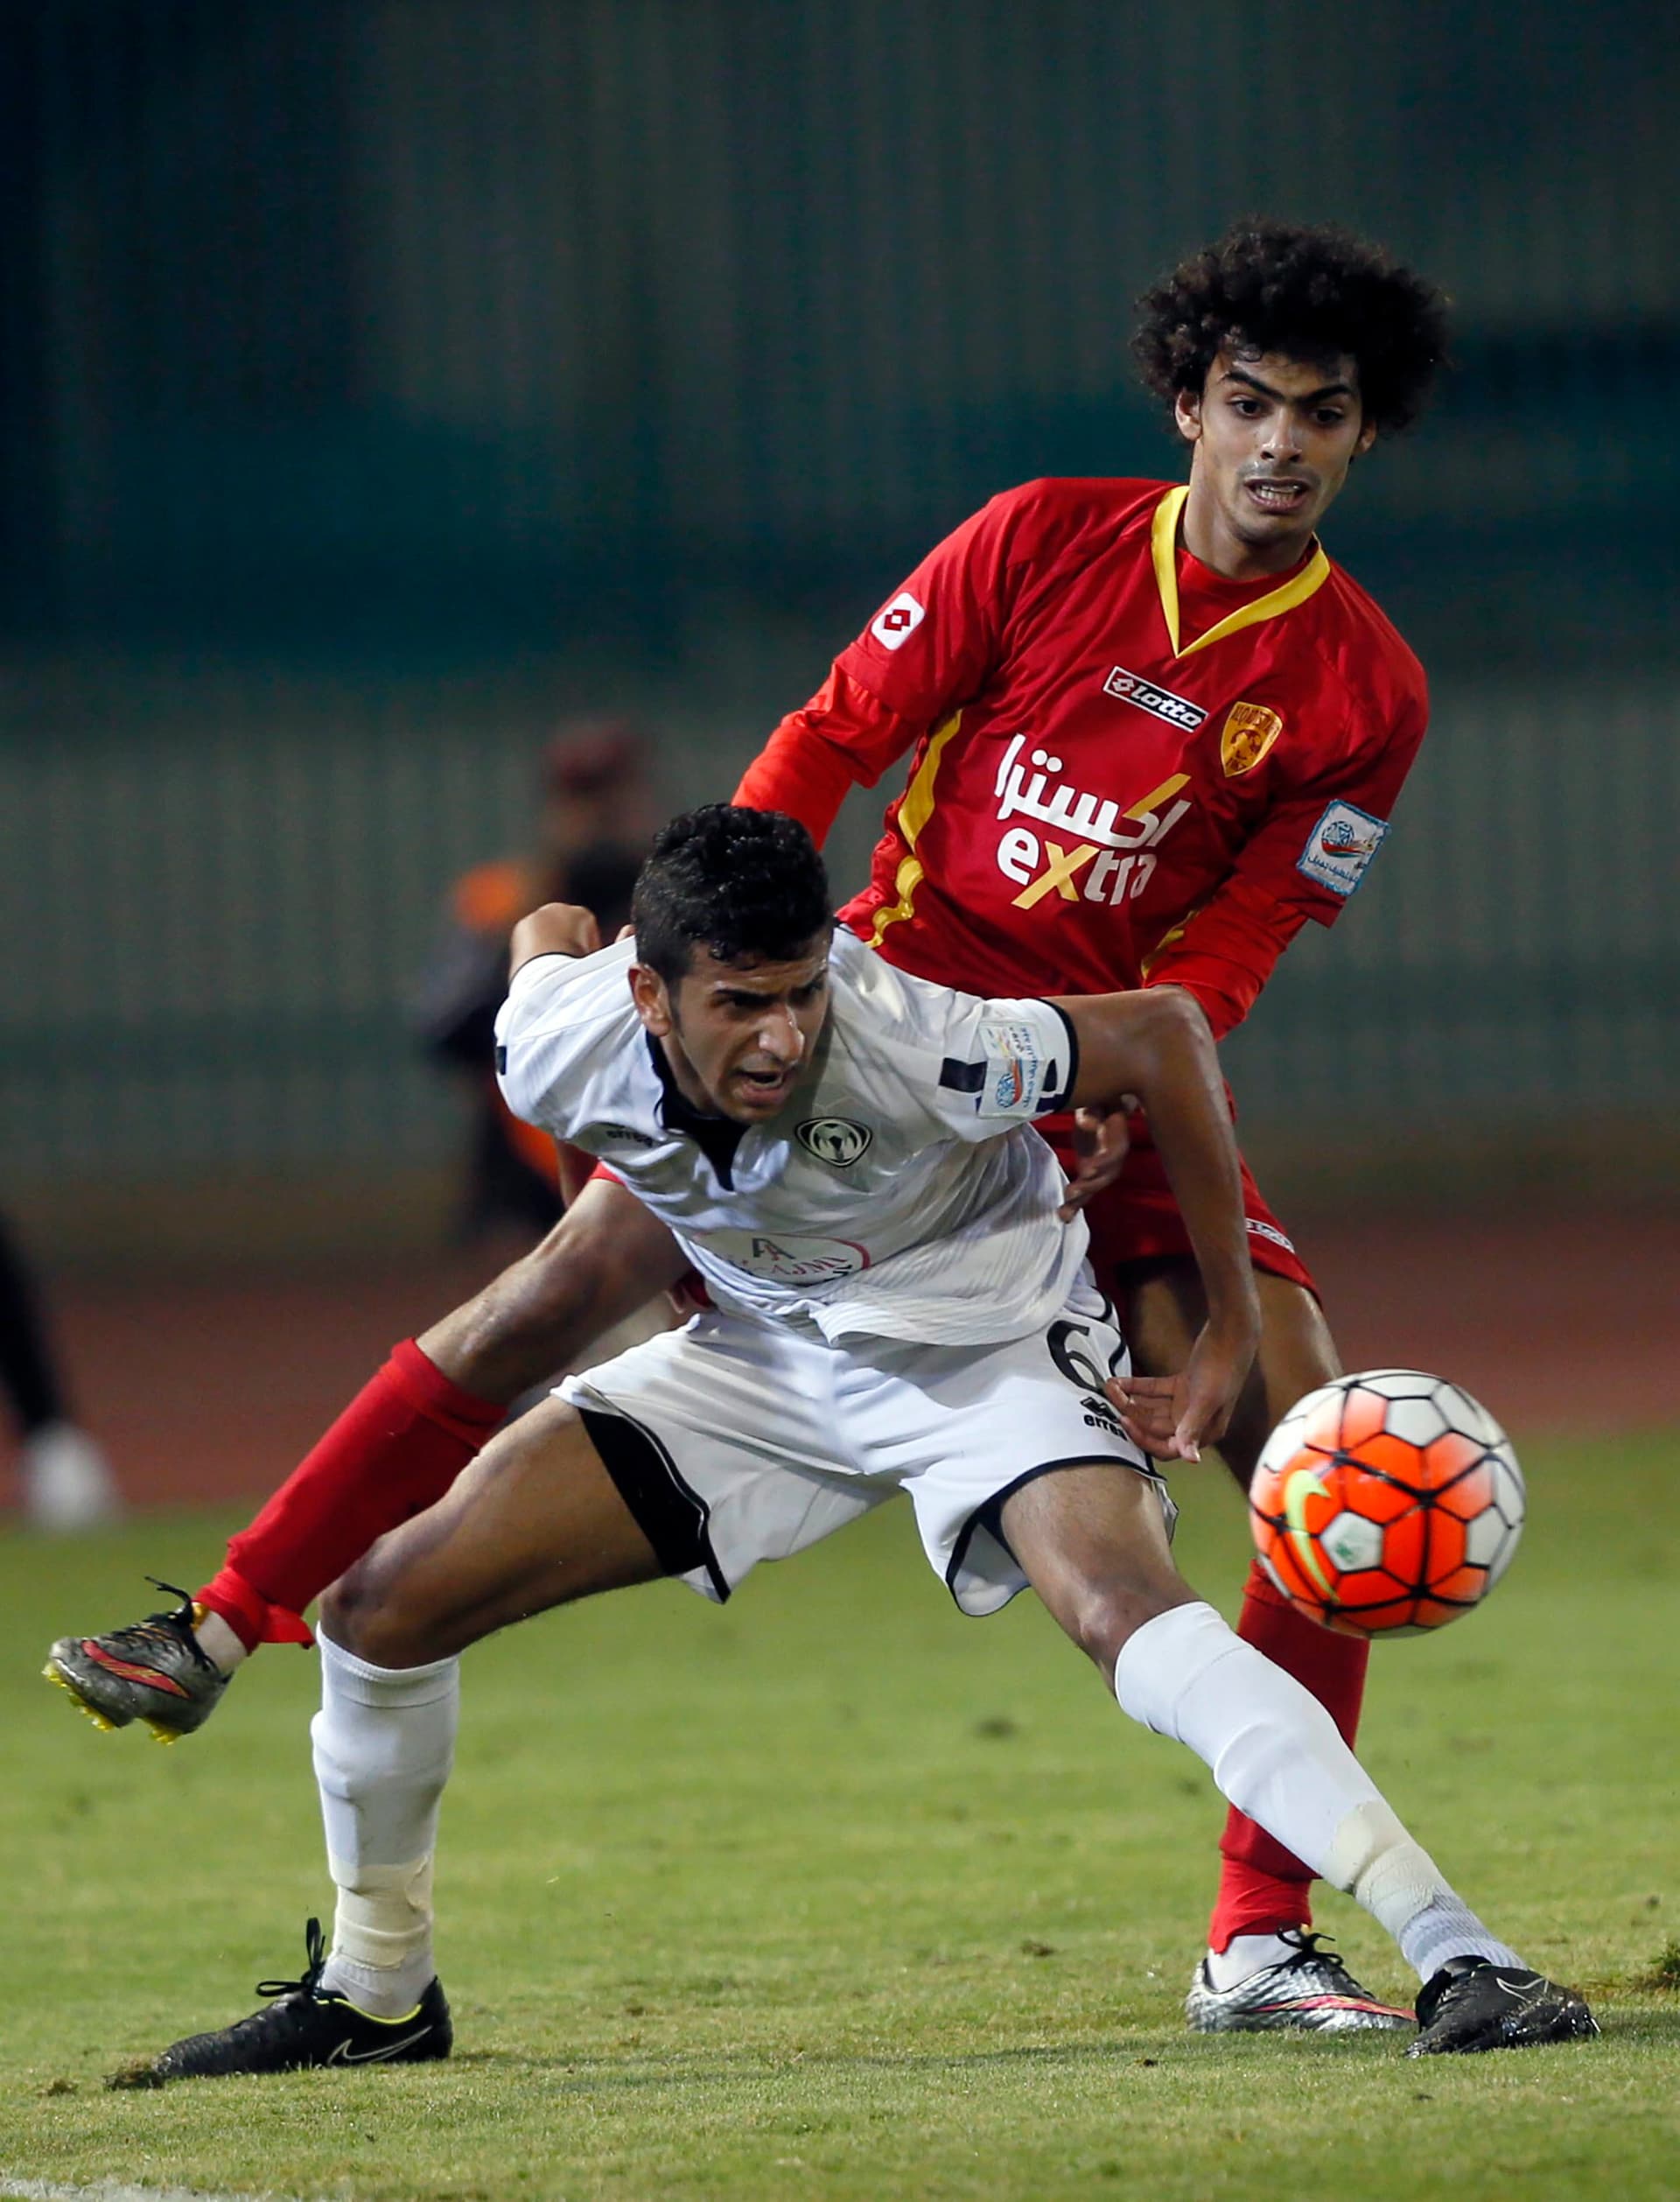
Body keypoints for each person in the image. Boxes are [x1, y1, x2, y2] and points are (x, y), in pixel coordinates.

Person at [52, 221, 1453, 2032]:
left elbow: (1238, 938)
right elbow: (835, 729)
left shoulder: (1366, 689)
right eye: (1247, 401)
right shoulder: (1037, 540)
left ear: (1363, 438)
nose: (1279, 442)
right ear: (1187, 402)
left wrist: (1117, 1098)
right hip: (876, 1042)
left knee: (1317, 1443)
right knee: (559, 1291)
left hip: (1088, 1077)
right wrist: (716, 956)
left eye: (1321, 415)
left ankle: (1257, 1935)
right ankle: (243, 1636)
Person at [111, 809, 1592, 2084]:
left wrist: (1220, 1338)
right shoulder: (559, 1041)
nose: (784, 1035)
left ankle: (1458, 1949)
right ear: (646, 993)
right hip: (763, 1358)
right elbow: (547, 932)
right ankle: (377, 1994)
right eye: (744, 1002)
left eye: (804, 994)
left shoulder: (916, 1045)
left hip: (984, 1349)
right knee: (381, 1608)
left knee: (1120, 1610)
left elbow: (1161, 1035)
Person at [412, 719, 652, 1243]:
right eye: (582, 795)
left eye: (614, 790)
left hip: (653, 1151)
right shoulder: (500, 898)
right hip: (526, 1154)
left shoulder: (679, 896)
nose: (601, 811)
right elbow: (447, 1027)